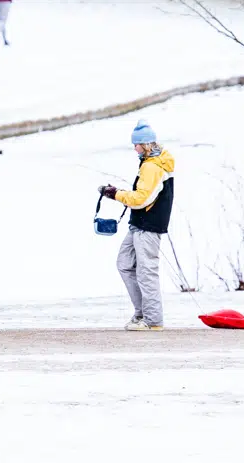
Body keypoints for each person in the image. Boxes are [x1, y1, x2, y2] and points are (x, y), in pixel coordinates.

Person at [98, 120, 175, 331]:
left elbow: (142, 199)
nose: (134, 148)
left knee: (146, 271)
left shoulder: (152, 166)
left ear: (145, 144)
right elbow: (144, 195)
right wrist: (119, 193)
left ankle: (152, 320)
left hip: (148, 226)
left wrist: (116, 195)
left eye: (136, 145)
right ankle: (142, 313)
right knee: (124, 263)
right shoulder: (150, 163)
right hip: (138, 224)